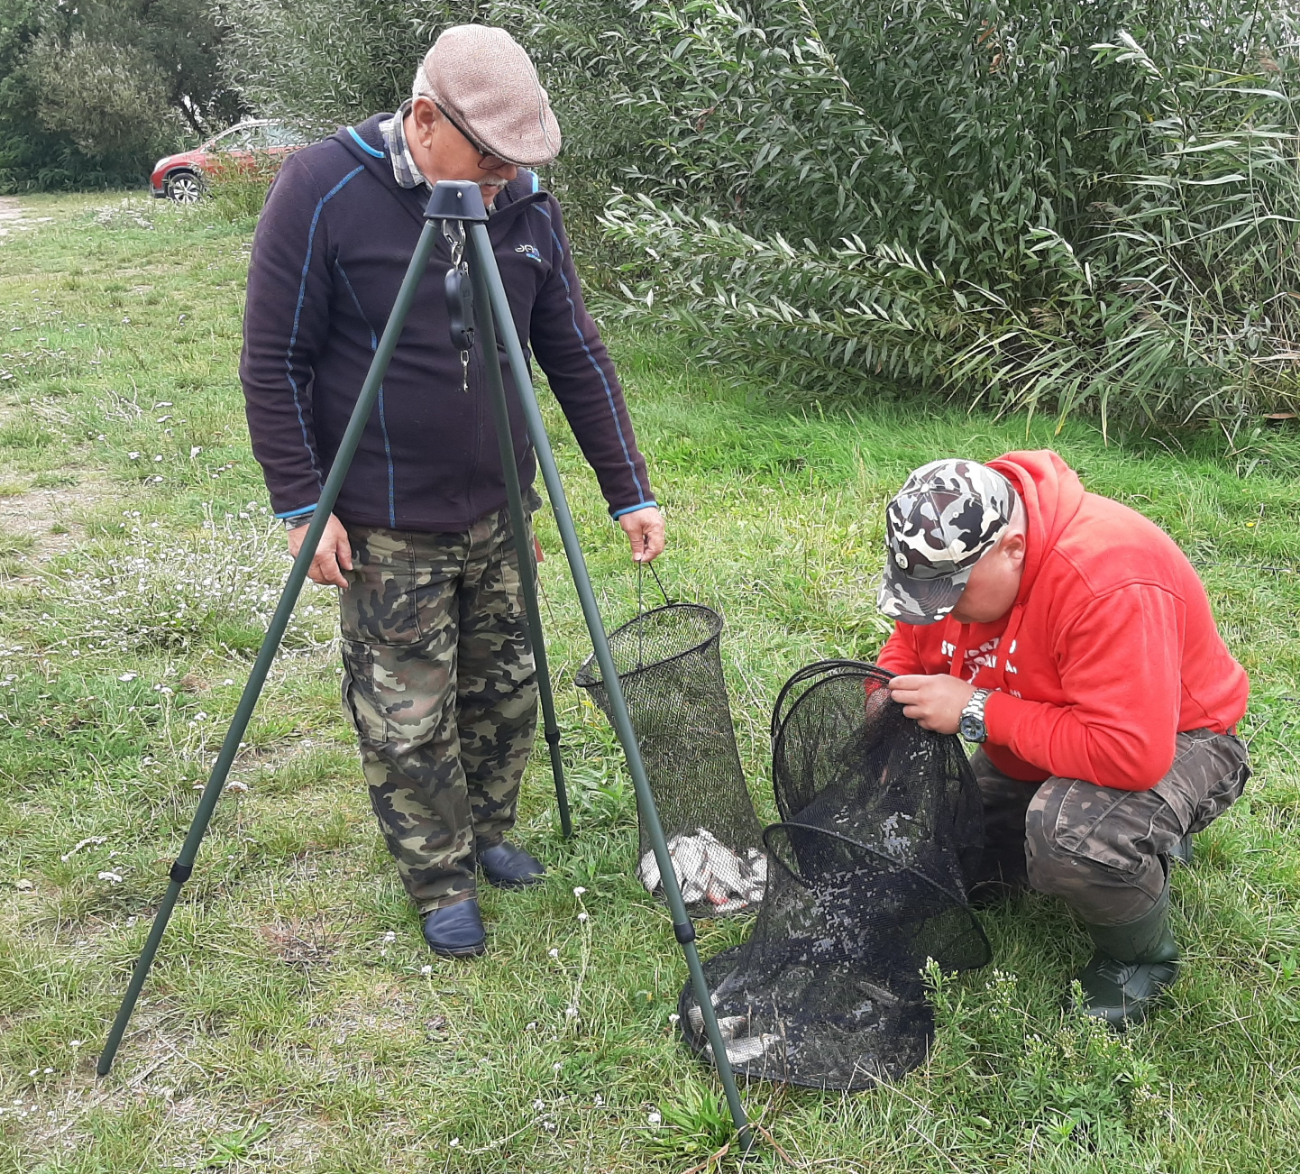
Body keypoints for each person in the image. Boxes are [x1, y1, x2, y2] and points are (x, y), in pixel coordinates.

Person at [240, 25, 665, 958]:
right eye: (492, 161)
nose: (506, 181)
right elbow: (274, 362)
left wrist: (627, 490)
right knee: (407, 709)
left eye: (520, 165)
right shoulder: (324, 187)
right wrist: (304, 506)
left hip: (503, 508)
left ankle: (490, 831)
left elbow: (576, 352)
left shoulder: (522, 206)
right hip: (385, 519)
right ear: (425, 121)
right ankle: (439, 879)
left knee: (506, 691)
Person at [874, 452, 1249, 1026]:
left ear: (1013, 549)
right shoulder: (948, 555)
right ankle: (1136, 837)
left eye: (950, 594)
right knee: (958, 837)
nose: (937, 611)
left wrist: (976, 709)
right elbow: (912, 643)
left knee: (1070, 835)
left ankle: (1141, 957)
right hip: (1043, 723)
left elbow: (1131, 754)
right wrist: (889, 698)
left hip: (1177, 738)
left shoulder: (1109, 579)